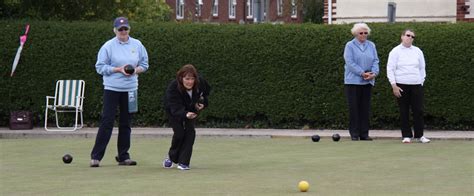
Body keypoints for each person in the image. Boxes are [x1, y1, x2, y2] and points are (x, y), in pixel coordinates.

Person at [90, 17, 149, 167]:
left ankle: (123, 157)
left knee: (126, 123)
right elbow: (100, 67)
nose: (123, 31)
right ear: (114, 30)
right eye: (120, 29)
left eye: (125, 29)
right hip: (112, 89)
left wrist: (135, 70)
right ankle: (96, 157)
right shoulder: (108, 46)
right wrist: (118, 69)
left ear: (129, 29)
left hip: (131, 90)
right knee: (107, 121)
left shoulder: (137, 44)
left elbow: (144, 64)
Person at [162, 64, 211, 170]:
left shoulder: (200, 82)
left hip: (191, 108)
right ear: (181, 78)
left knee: (190, 132)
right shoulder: (173, 87)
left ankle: (183, 162)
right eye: (187, 79)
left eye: (192, 79)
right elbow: (174, 107)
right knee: (179, 133)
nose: (190, 82)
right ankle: (171, 157)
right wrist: (185, 114)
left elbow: (205, 93)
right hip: (173, 110)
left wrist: (203, 103)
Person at [387, 29, 430, 144]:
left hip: (416, 85)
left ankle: (419, 135)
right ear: (402, 36)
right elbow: (390, 69)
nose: (410, 38)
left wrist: (421, 82)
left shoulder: (417, 51)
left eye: (412, 36)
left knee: (418, 110)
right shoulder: (395, 51)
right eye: (408, 35)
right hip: (401, 85)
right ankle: (406, 135)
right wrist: (394, 85)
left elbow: (422, 68)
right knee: (404, 111)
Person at [343, 23, 380, 141]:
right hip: (353, 81)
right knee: (354, 108)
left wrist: (374, 73)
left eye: (365, 33)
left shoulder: (371, 45)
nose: (364, 35)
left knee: (365, 108)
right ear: (355, 34)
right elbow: (350, 62)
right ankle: (354, 133)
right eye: (361, 33)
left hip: (368, 81)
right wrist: (362, 73)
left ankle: (364, 134)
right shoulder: (350, 45)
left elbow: (375, 60)